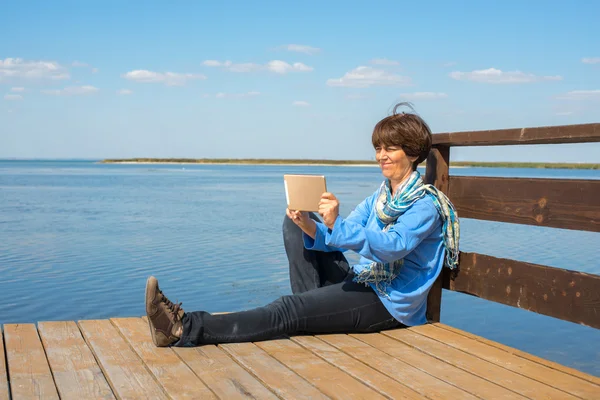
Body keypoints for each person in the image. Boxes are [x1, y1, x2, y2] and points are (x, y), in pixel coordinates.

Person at [145, 102, 459, 347]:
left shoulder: (425, 206)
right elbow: (342, 234)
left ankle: (182, 328)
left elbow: (393, 248)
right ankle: (313, 311)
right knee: (294, 225)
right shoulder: (380, 196)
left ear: (413, 152)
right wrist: (311, 225)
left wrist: (335, 225)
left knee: (288, 309)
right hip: (366, 281)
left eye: (390, 148)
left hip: (389, 304)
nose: (381, 156)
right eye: (378, 148)